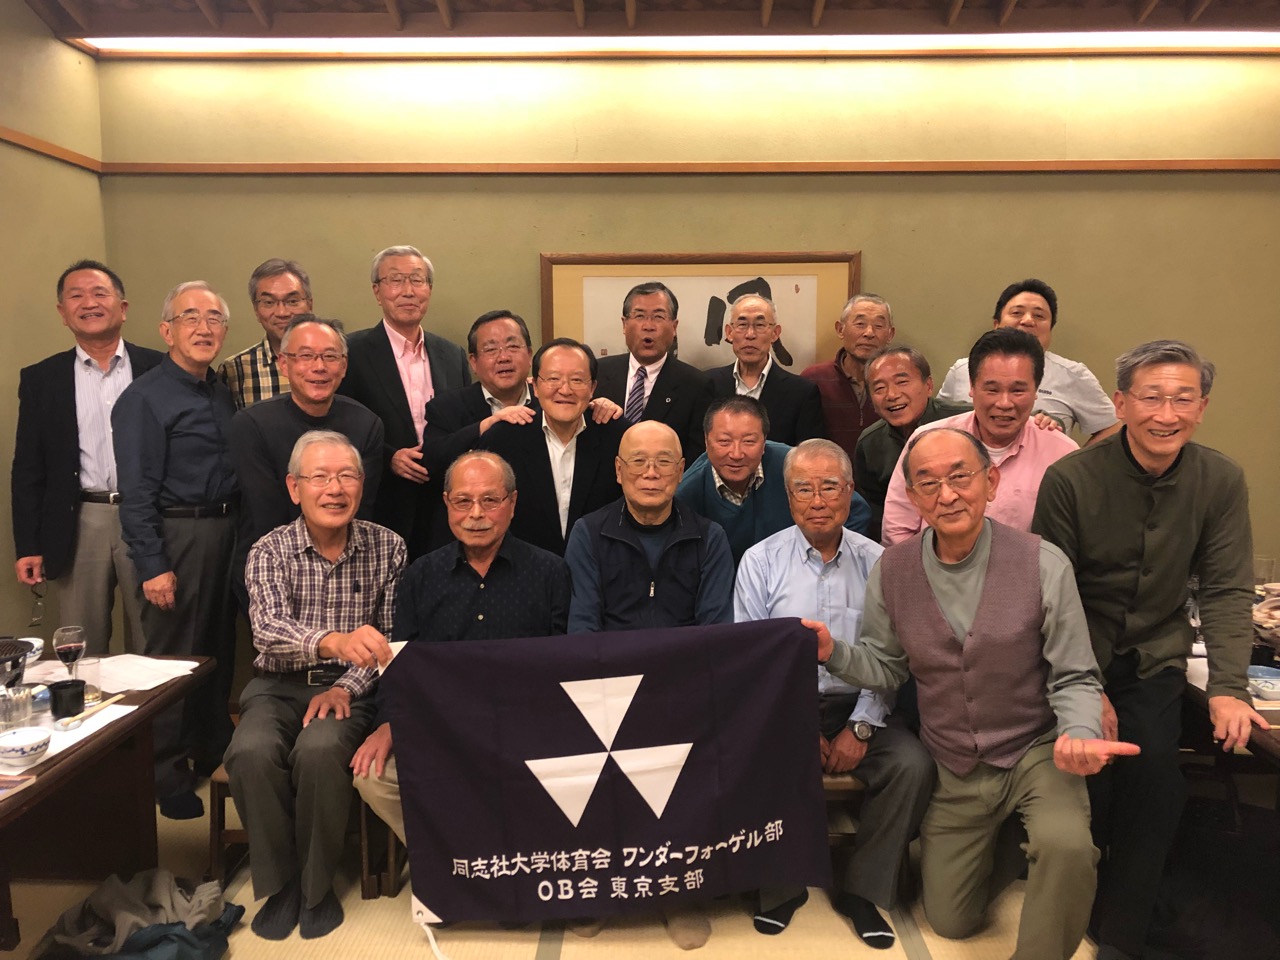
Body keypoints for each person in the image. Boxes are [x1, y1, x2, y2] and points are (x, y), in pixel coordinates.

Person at [817, 427, 1139, 960]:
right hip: (955, 761)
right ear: (913, 497)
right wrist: (834, 652)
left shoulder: (1043, 562)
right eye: (928, 483)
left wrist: (1079, 731)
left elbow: (1075, 674)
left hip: (1036, 749)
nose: (946, 495)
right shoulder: (893, 570)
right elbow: (886, 668)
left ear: (990, 482)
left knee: (1067, 846)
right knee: (951, 921)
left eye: (960, 477)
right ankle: (1009, 839)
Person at [1031, 340, 1265, 960]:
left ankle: (1122, 934)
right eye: (1152, 397)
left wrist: (1229, 688)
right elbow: (1050, 594)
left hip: (1155, 655)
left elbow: (1226, 587)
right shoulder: (1071, 479)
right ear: (1120, 403)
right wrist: (1087, 690)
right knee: (1089, 782)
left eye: (1182, 399)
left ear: (1202, 407)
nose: (1166, 414)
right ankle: (1082, 896)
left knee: (1156, 779)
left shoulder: (1219, 480)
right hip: (1074, 653)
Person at [734, 437, 934, 950]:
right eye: (804, 489)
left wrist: (861, 727)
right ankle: (781, 887)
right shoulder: (759, 561)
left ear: (850, 492)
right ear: (788, 496)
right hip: (785, 708)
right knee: (757, 758)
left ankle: (862, 891)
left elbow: (892, 657)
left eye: (829, 486)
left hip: (863, 703)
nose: (818, 500)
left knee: (911, 766)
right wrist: (799, 726)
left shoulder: (881, 562)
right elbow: (753, 662)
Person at [224, 430, 405, 941]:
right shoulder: (269, 549)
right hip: (276, 685)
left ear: (362, 484)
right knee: (251, 751)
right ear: (294, 487)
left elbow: (389, 640)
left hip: (353, 690)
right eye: (319, 477)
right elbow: (267, 631)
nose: (334, 488)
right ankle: (281, 885)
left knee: (321, 750)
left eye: (346, 476)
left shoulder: (389, 547)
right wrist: (332, 642)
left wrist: (345, 686)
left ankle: (316, 886)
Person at [352, 450, 569, 843]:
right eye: (463, 501)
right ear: (446, 503)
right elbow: (399, 662)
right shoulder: (422, 574)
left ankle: (495, 856)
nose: (476, 514)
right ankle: (457, 855)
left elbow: (564, 665)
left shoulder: (550, 571)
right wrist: (388, 723)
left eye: (490, 500)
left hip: (526, 728)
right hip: (442, 729)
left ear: (512, 503)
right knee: (373, 776)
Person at [112, 280, 240, 819]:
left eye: (214, 319)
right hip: (177, 534)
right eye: (191, 317)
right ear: (167, 331)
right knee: (171, 659)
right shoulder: (144, 398)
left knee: (216, 651)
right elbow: (136, 490)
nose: (204, 328)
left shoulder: (220, 391)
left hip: (226, 530)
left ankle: (211, 750)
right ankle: (164, 774)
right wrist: (153, 564)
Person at [12, 259, 163, 654]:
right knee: (82, 642)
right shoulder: (42, 379)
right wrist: (28, 543)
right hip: (79, 519)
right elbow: (28, 467)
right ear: (63, 313)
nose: (89, 303)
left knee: (155, 639)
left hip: (148, 516)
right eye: (76, 296)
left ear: (122, 308)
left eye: (99, 293)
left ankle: (154, 700)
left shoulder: (159, 368)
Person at [421, 310, 622, 545]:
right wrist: (487, 425)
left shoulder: (556, 403)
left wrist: (593, 405)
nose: (503, 357)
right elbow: (433, 463)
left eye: (513, 346)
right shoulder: (449, 409)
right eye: (491, 349)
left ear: (529, 355)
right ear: (473, 361)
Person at [227, 315, 383, 605]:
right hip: (272, 572)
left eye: (330, 356)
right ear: (284, 364)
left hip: (347, 572)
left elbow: (361, 511)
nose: (319, 367)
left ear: (344, 366)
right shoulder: (251, 425)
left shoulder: (366, 424)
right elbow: (266, 516)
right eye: (306, 356)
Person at [881, 328, 1077, 545]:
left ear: (1036, 390)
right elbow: (897, 529)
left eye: (1017, 391)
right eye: (992, 390)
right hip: (930, 564)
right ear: (972, 388)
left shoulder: (1063, 455)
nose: (1004, 403)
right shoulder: (925, 441)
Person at [338, 245, 470, 556]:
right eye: (396, 280)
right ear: (377, 291)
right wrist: (389, 457)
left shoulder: (452, 354)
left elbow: (464, 421)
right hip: (383, 500)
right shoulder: (351, 352)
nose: (408, 291)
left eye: (417, 280)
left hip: (444, 501)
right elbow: (342, 421)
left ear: (429, 289)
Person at [565, 420, 734, 633]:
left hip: (687, 654)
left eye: (664, 461)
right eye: (638, 461)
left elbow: (715, 633)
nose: (651, 473)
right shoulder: (588, 534)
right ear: (619, 470)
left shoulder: (710, 538)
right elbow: (582, 629)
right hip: (611, 655)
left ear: (680, 470)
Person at [476, 338, 627, 556]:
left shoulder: (617, 436)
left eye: (577, 380)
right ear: (535, 386)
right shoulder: (502, 439)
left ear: (592, 387)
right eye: (553, 378)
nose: (565, 390)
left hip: (600, 567)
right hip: (524, 568)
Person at [676, 396, 871, 564]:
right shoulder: (688, 492)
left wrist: (822, 560)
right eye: (724, 441)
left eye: (749, 441)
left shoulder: (794, 465)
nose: (736, 454)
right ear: (706, 441)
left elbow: (856, 510)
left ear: (764, 441)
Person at [936, 279, 1120, 444]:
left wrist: (1072, 462)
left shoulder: (1073, 374)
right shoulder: (961, 370)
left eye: (1039, 316)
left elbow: (1113, 427)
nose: (1028, 321)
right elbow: (938, 422)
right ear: (996, 324)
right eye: (1017, 313)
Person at [854, 346, 969, 542]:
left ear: (929, 385)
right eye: (879, 388)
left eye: (902, 382)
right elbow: (877, 514)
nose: (891, 395)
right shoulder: (869, 443)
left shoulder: (964, 421)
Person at [594, 281, 714, 460]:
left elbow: (697, 459)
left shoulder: (696, 385)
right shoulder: (597, 373)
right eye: (639, 316)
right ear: (624, 324)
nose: (648, 326)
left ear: (674, 327)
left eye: (658, 317)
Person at [705, 294, 825, 445]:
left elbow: (809, 453)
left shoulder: (802, 392)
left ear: (775, 333)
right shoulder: (708, 384)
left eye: (760, 325)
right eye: (742, 325)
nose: (750, 334)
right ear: (729, 332)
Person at [800, 293, 896, 461]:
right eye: (860, 324)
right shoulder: (813, 379)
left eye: (878, 326)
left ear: (890, 334)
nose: (869, 333)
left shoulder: (900, 383)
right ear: (840, 329)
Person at [217, 258, 314, 409]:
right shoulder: (235, 369)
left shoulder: (334, 360)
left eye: (292, 301)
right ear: (256, 310)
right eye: (269, 302)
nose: (282, 312)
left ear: (309, 304)